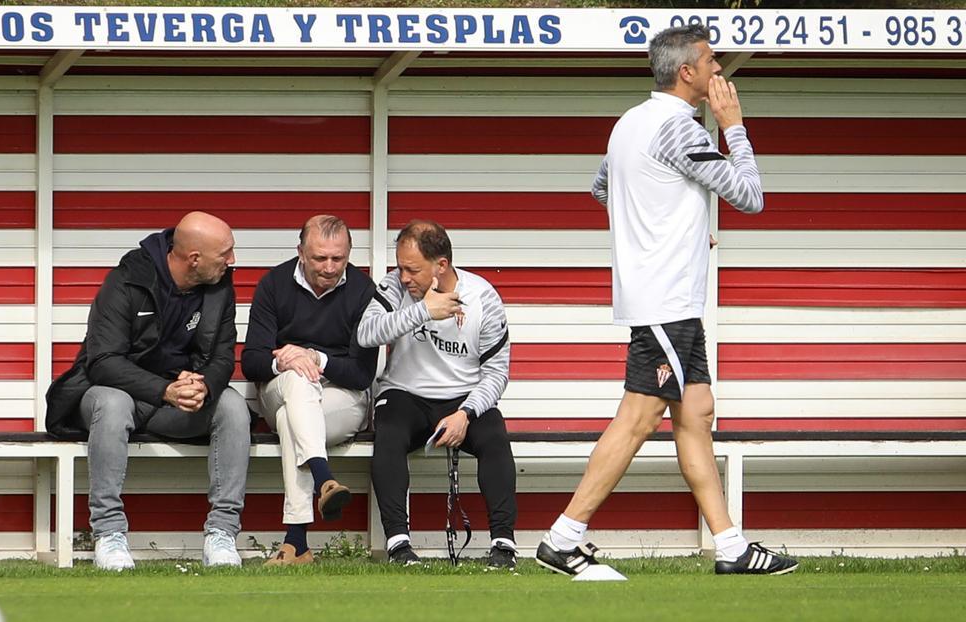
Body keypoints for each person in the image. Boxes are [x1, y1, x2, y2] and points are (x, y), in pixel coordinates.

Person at [535, 25, 797, 576]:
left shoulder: (631, 121)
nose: (718, 71)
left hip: (665, 298)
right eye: (710, 61)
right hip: (666, 300)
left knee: (696, 414)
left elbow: (605, 188)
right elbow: (749, 195)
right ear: (687, 72)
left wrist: (678, 220)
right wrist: (736, 129)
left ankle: (729, 547)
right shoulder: (680, 128)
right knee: (638, 416)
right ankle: (563, 538)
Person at [45, 211, 251, 570]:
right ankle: (109, 535)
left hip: (178, 404)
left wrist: (203, 386)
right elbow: (103, 362)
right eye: (226, 253)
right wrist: (165, 390)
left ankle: (222, 534)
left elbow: (222, 357)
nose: (233, 261)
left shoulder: (220, 286)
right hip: (115, 395)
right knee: (111, 403)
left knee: (232, 406)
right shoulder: (127, 281)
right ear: (194, 259)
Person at [357, 219, 519, 569]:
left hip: (462, 398)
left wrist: (466, 414)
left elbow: (496, 374)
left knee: (493, 435)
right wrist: (422, 312)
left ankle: (503, 545)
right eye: (400, 267)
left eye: (412, 270)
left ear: (441, 265)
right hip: (405, 393)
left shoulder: (483, 298)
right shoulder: (394, 288)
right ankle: (399, 545)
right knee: (389, 434)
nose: (403, 277)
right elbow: (366, 333)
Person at [241, 215, 379, 566]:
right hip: (280, 388)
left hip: (342, 397)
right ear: (301, 251)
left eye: (339, 258)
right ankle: (324, 479)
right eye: (320, 258)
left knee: (293, 420)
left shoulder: (364, 291)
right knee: (297, 382)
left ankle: (297, 543)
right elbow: (252, 362)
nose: (330, 267)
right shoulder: (274, 284)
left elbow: (362, 374)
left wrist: (316, 358)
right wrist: (286, 362)